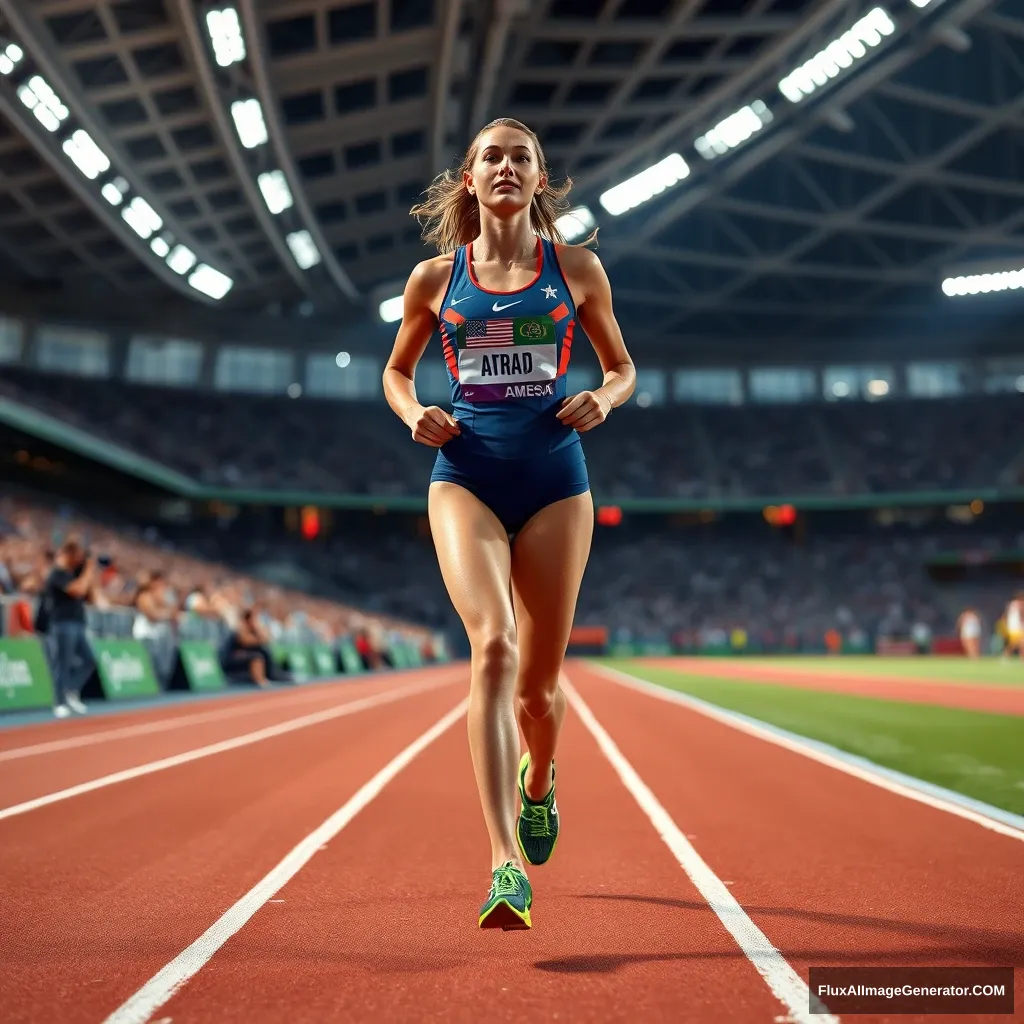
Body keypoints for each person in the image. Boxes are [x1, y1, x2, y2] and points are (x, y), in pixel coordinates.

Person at [383, 117, 635, 930]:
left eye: (520, 157)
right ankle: (504, 864)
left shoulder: (578, 270)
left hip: (557, 481)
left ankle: (540, 781)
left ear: (538, 180)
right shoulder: (434, 279)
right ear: (469, 178)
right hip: (466, 475)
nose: (504, 166)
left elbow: (624, 367)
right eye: (490, 155)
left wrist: (605, 394)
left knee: (539, 690)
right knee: (492, 644)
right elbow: (394, 371)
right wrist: (413, 408)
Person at [43, 536, 96, 718]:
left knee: (89, 660)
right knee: (63, 663)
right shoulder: (57, 573)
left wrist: (89, 573)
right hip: (62, 623)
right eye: (78, 555)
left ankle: (71, 690)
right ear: (69, 554)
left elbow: (89, 595)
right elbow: (77, 590)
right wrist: (88, 569)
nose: (80, 560)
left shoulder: (73, 574)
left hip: (78, 622)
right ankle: (59, 702)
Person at [1002, 592, 1024, 662]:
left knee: (1021, 643)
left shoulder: (1011, 604)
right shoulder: (1018, 604)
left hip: (1013, 627)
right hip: (1017, 627)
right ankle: (1006, 655)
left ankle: (1021, 658)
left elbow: (1005, 615)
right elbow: (1021, 614)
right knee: (1014, 643)